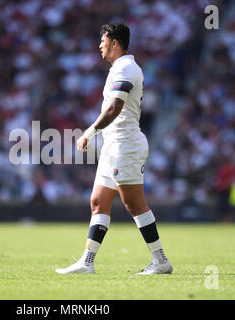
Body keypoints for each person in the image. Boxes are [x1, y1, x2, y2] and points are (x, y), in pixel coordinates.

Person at [55, 23, 173, 275]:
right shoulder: (118, 68)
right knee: (98, 201)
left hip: (126, 145)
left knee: (133, 203)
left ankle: (161, 260)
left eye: (103, 41)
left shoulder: (128, 68)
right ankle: (87, 262)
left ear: (114, 43)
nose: (100, 45)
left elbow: (114, 108)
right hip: (114, 145)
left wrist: (90, 131)